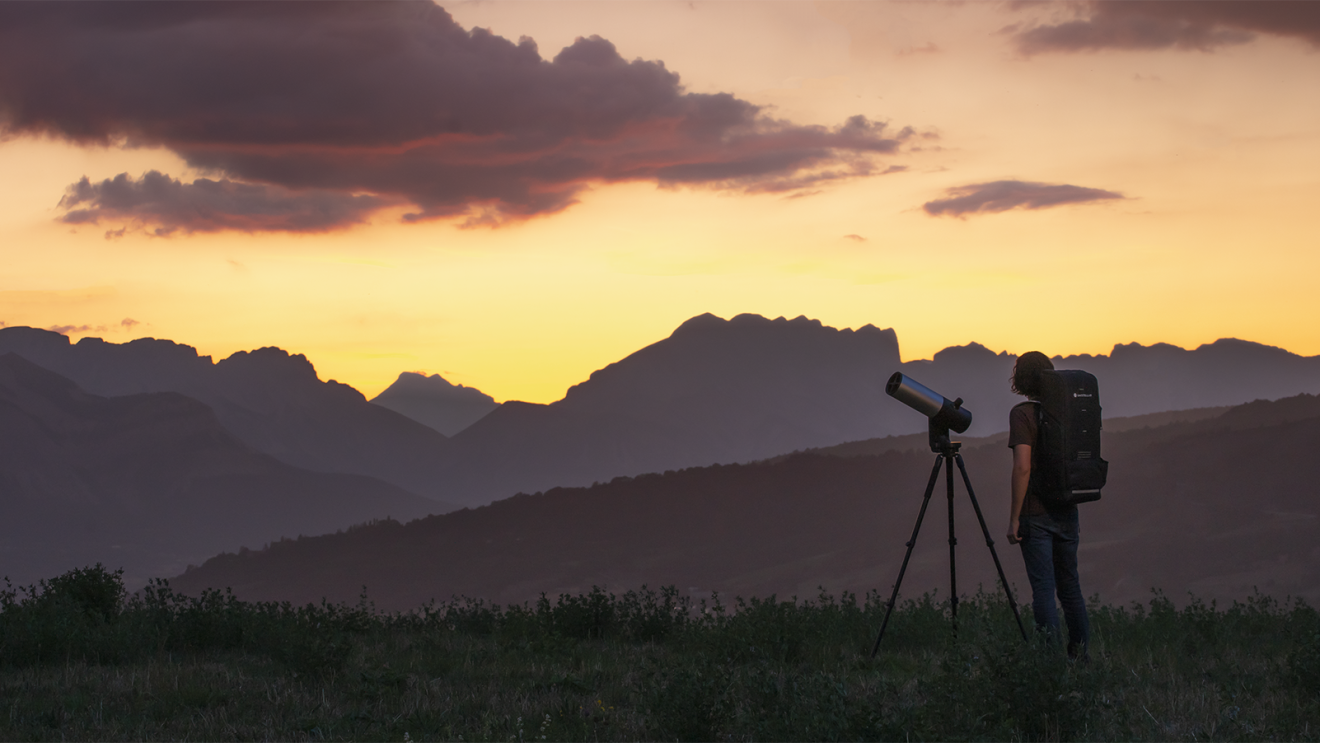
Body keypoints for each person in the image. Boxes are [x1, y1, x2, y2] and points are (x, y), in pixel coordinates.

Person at [1006, 351, 1089, 660]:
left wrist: (1014, 517)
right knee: (1070, 588)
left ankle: (1050, 663)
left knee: (1043, 590)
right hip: (1068, 509)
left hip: (1036, 514)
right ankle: (1080, 658)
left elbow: (1022, 467)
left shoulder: (1022, 414)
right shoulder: (1067, 410)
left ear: (1020, 380)